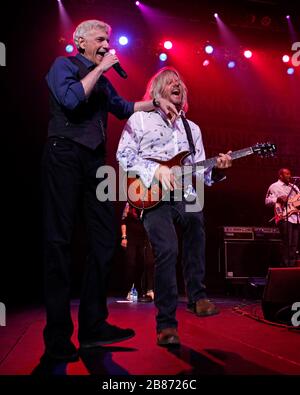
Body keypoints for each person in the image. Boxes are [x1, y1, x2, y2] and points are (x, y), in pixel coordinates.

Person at [42, 20, 178, 361]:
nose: (107, 43)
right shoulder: (65, 65)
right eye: (100, 38)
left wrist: (155, 103)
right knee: (59, 241)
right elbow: (71, 100)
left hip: (94, 162)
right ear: (80, 41)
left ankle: (93, 327)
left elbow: (123, 107)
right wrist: (100, 68)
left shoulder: (101, 80)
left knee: (104, 241)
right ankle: (58, 336)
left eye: (108, 39)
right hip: (64, 152)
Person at [116, 67, 232, 347]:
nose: (176, 84)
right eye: (169, 82)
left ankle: (197, 297)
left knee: (196, 222)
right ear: (157, 91)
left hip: (185, 193)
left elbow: (203, 173)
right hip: (151, 194)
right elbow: (123, 155)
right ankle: (166, 325)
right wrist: (155, 170)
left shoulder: (192, 130)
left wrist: (218, 169)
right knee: (167, 250)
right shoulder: (140, 120)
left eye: (180, 82)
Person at [265, 168, 300, 267]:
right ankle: (285, 266)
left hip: (296, 217)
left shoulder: (294, 187)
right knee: (287, 243)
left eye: (290, 173)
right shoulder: (274, 186)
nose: (290, 175)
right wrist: (278, 199)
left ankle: (291, 266)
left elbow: (298, 201)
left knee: (294, 244)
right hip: (284, 217)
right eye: (287, 174)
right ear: (280, 175)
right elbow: (267, 201)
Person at [121, 202, 155, 302]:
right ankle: (130, 289)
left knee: (148, 263)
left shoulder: (148, 203)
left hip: (144, 237)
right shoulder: (129, 204)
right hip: (131, 238)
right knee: (131, 264)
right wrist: (124, 237)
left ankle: (148, 290)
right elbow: (123, 220)